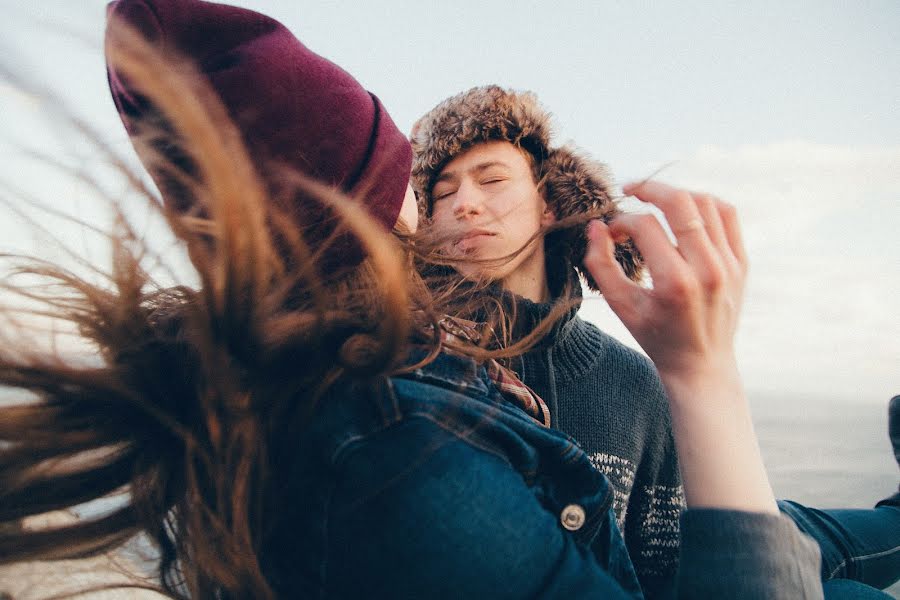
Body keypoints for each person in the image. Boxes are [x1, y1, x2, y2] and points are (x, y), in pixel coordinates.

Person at [0, 0, 825, 598]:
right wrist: (705, 375)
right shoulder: (398, 444)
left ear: (550, 203)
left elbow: (682, 554)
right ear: (369, 211)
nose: (452, 206)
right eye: (419, 183)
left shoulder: (408, 374)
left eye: (491, 180)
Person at [410, 85, 900, 598]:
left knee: (823, 555)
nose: (465, 204)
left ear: (549, 206)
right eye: (442, 194)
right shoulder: (412, 362)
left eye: (491, 180)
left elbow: (661, 567)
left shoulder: (635, 381)